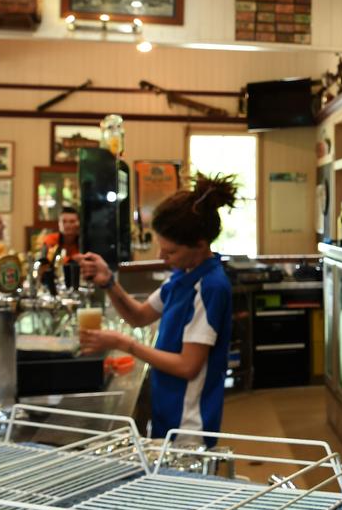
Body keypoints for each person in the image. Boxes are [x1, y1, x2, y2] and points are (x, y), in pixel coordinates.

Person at [76, 174, 236, 441]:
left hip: (189, 426)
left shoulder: (210, 287)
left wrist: (125, 344)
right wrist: (109, 283)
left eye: (170, 252)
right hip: (168, 413)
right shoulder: (183, 277)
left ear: (200, 244)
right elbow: (139, 316)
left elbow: (188, 366)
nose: (162, 257)